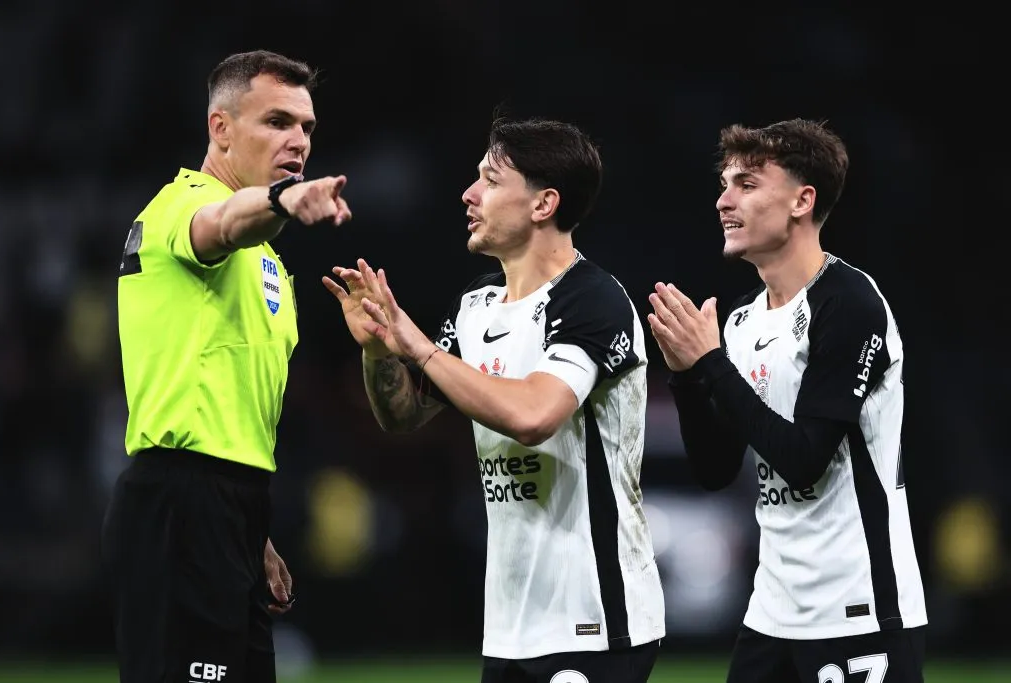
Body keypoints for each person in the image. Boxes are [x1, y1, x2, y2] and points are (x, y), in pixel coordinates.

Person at [323, 115, 665, 683]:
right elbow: (404, 414)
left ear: (543, 204)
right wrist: (380, 351)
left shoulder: (591, 301)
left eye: (491, 179)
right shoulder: (476, 308)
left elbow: (533, 416)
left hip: (595, 618)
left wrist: (420, 347)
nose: (469, 193)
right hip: (511, 623)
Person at [102, 49, 353, 683]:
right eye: (277, 121)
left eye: (307, 128)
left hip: (235, 507)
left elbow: (230, 404)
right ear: (221, 129)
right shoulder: (179, 208)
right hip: (178, 502)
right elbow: (221, 222)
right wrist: (286, 199)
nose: (298, 141)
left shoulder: (267, 260)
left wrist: (253, 535)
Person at [647, 118, 927, 683]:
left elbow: (804, 460)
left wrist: (711, 364)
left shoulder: (848, 304)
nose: (724, 201)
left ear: (803, 200)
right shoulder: (747, 320)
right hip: (772, 611)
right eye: (724, 185)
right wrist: (687, 379)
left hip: (858, 608)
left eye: (747, 185)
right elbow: (716, 470)